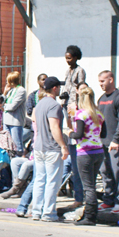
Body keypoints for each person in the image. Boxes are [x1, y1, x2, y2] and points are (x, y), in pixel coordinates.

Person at [17, 77, 68, 220]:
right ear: (54, 88)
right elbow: (54, 127)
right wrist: (63, 146)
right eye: (58, 87)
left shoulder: (38, 105)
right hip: (51, 147)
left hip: (38, 147)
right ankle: (48, 212)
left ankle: (36, 211)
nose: (59, 89)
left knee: (40, 180)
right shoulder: (54, 105)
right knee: (52, 181)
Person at [68, 86, 105, 225]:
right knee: (92, 183)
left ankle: (90, 216)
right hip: (98, 151)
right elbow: (104, 134)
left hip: (85, 152)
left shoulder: (81, 114)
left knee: (88, 186)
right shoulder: (99, 114)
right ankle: (89, 214)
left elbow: (78, 134)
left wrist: (70, 133)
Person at [96, 71, 119, 214]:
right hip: (103, 142)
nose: (101, 84)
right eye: (99, 81)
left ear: (111, 80)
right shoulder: (101, 99)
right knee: (106, 173)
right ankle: (108, 200)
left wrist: (116, 140)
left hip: (118, 143)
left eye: (103, 81)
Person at [3, 71, 27, 152]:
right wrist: (4, 92)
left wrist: (3, 106)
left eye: (8, 80)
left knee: (16, 146)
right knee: (7, 146)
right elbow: (1, 101)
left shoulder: (21, 91)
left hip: (15, 122)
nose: (6, 82)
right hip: (6, 121)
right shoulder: (10, 90)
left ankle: (17, 161)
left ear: (12, 81)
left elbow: (13, 106)